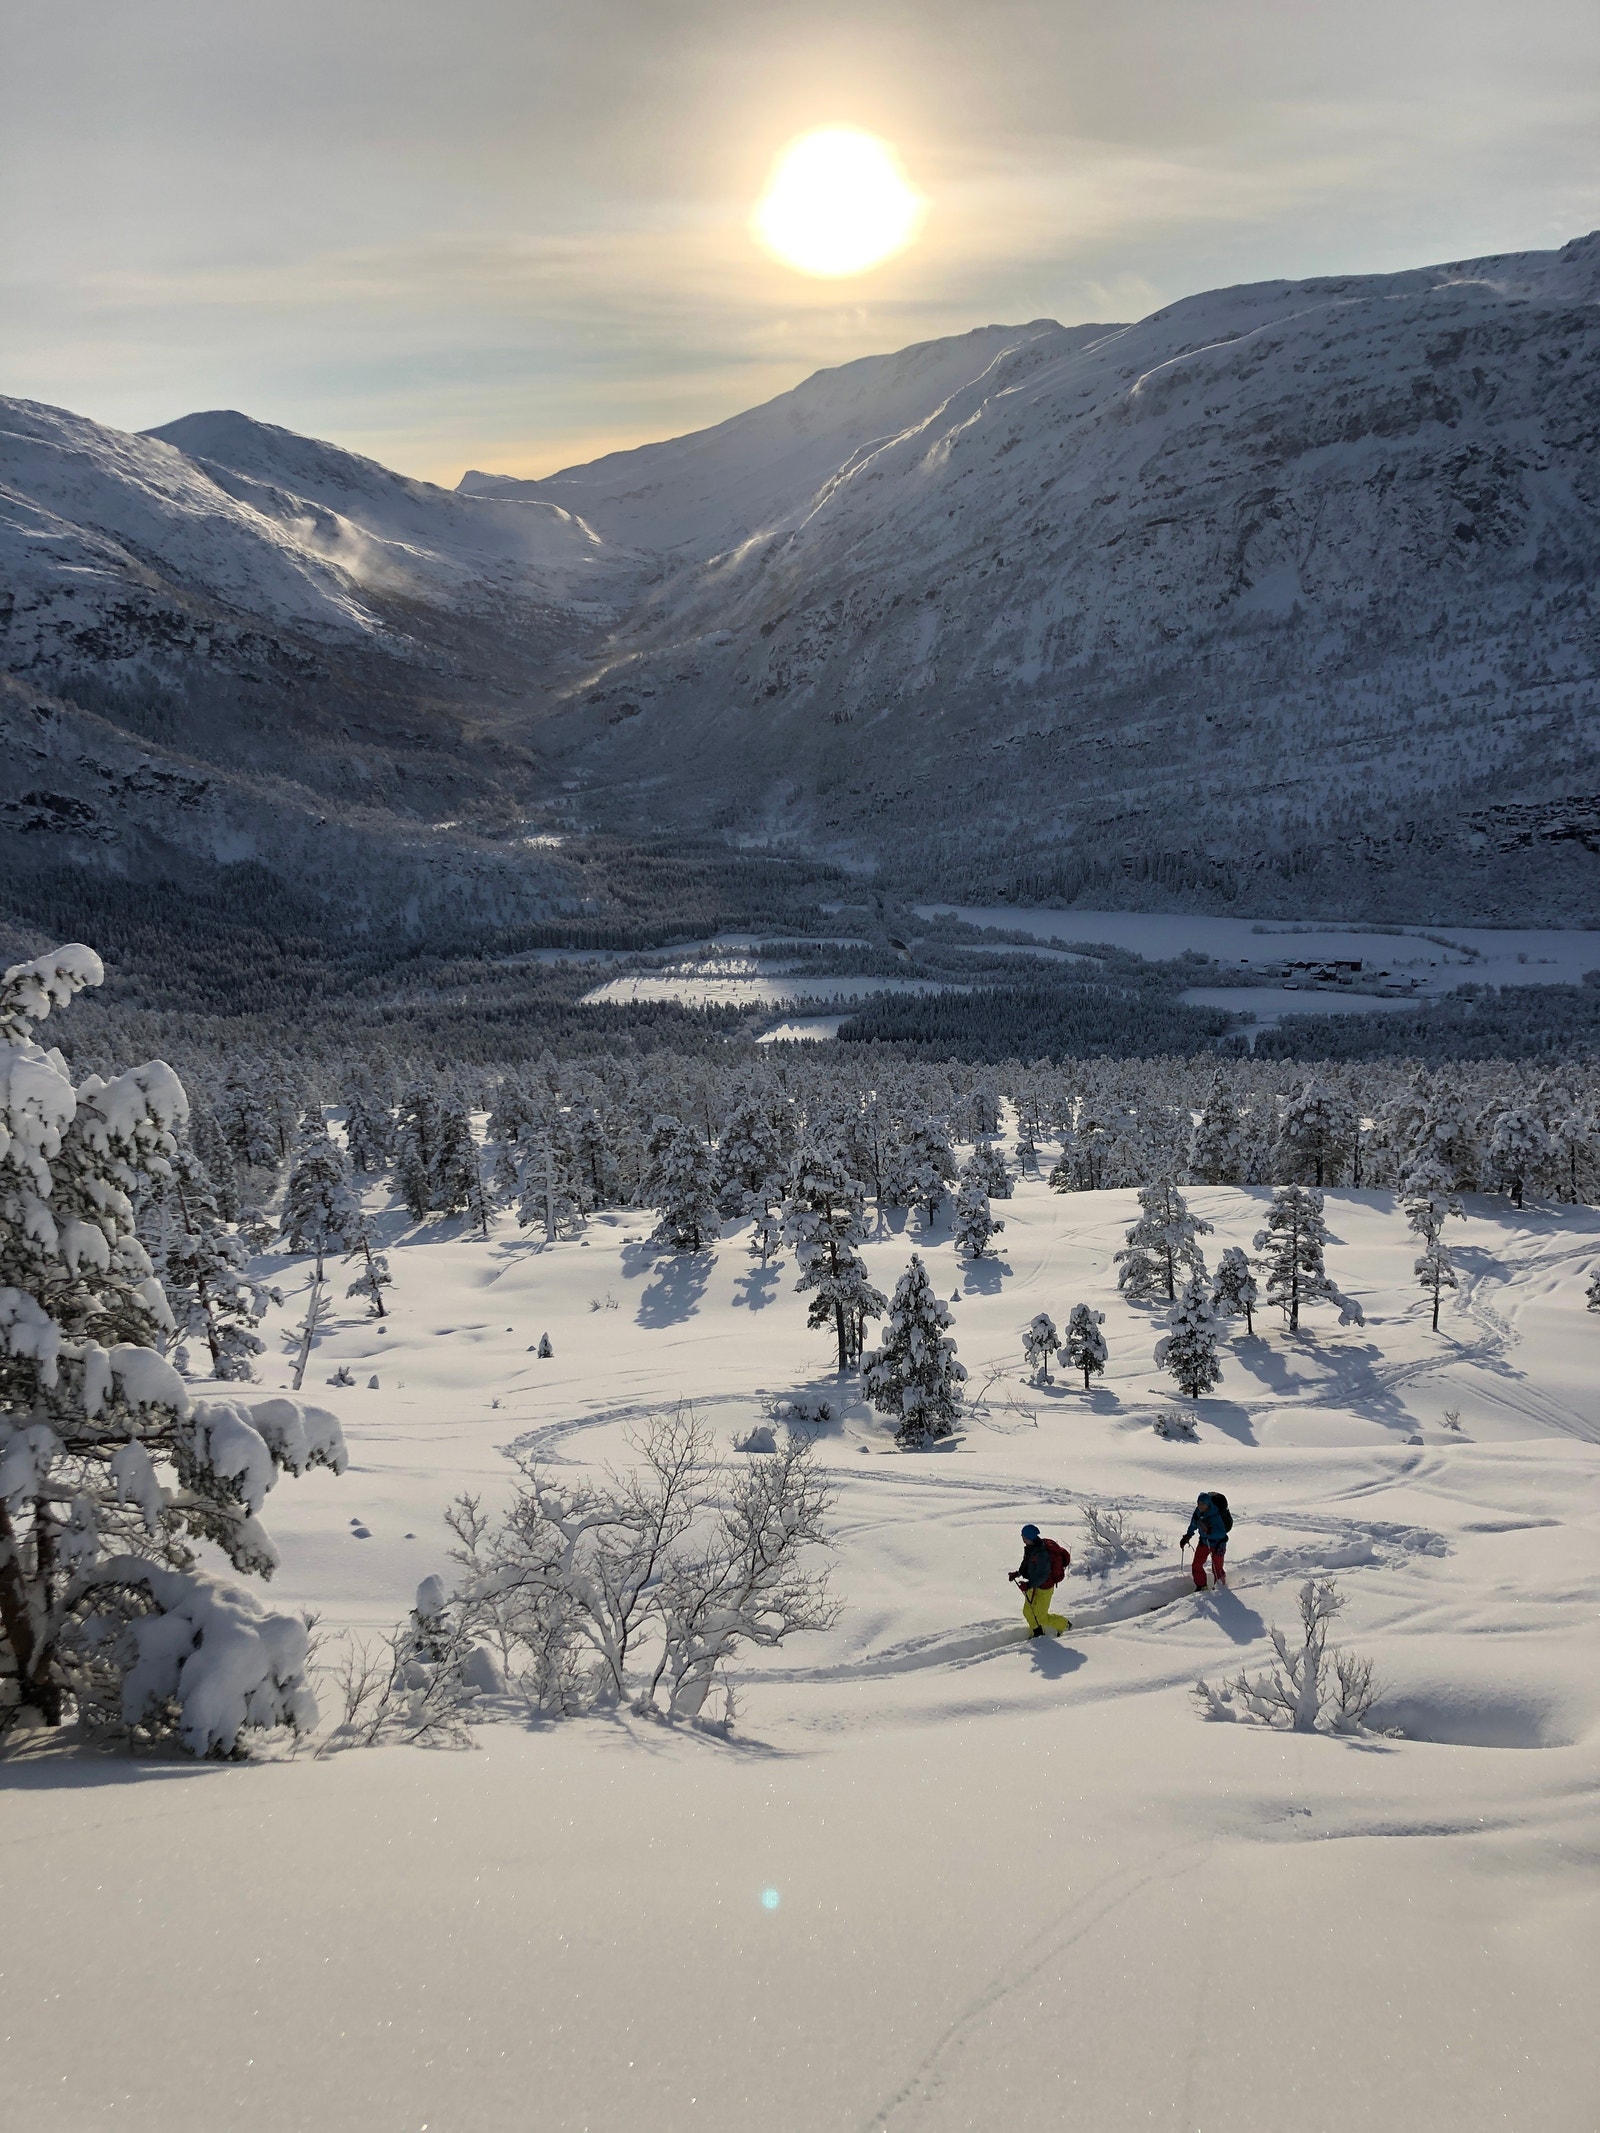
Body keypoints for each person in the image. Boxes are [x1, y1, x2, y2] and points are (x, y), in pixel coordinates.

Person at [1010, 1522, 1070, 1637]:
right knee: (1028, 1612)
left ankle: (1065, 1624)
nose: (1022, 1538)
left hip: (1044, 1588)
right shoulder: (1031, 1547)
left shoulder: (1042, 1553)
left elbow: (1043, 1575)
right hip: (1033, 1585)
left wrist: (1028, 1585)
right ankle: (1038, 1634)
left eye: (1023, 1536)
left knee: (1040, 1617)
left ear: (1028, 1537)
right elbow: (1027, 1563)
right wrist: (1017, 1573)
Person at [1182, 1491, 1232, 1589]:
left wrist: (1210, 1531)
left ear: (1208, 1504)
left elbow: (1221, 1533)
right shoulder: (1198, 1512)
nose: (1200, 1506)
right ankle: (1201, 1586)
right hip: (1204, 1542)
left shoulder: (1216, 1514)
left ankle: (1220, 1588)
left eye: (1203, 1504)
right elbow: (1193, 1524)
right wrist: (1187, 1536)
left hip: (1218, 1545)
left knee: (1217, 1569)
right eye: (1198, 1503)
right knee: (1196, 1565)